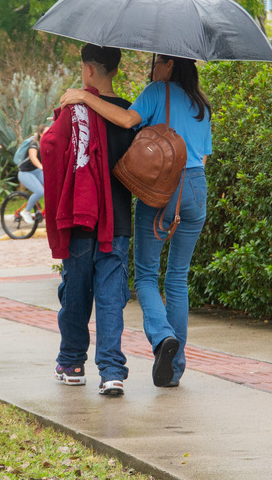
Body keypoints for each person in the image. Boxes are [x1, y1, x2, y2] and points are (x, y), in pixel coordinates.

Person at [60, 53, 211, 389]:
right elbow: (204, 154)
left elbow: (127, 120)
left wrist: (85, 95)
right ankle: (173, 372)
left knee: (145, 275)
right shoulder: (202, 104)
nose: (153, 68)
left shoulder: (159, 90)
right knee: (178, 278)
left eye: (157, 61)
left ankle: (162, 338)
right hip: (197, 188)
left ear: (169, 65)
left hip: (163, 188)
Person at [47, 45, 136, 397]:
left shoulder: (76, 109)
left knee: (76, 293)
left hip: (81, 218)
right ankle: (112, 372)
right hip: (118, 221)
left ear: (87, 69)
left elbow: (52, 147)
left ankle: (71, 363)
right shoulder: (130, 110)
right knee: (112, 297)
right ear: (115, 68)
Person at [16, 128, 46, 222]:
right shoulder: (34, 144)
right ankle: (26, 211)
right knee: (40, 191)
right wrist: (42, 167)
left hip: (36, 171)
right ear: (41, 134)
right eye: (47, 132)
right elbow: (33, 158)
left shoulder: (45, 144)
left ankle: (46, 212)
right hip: (25, 173)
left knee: (53, 187)